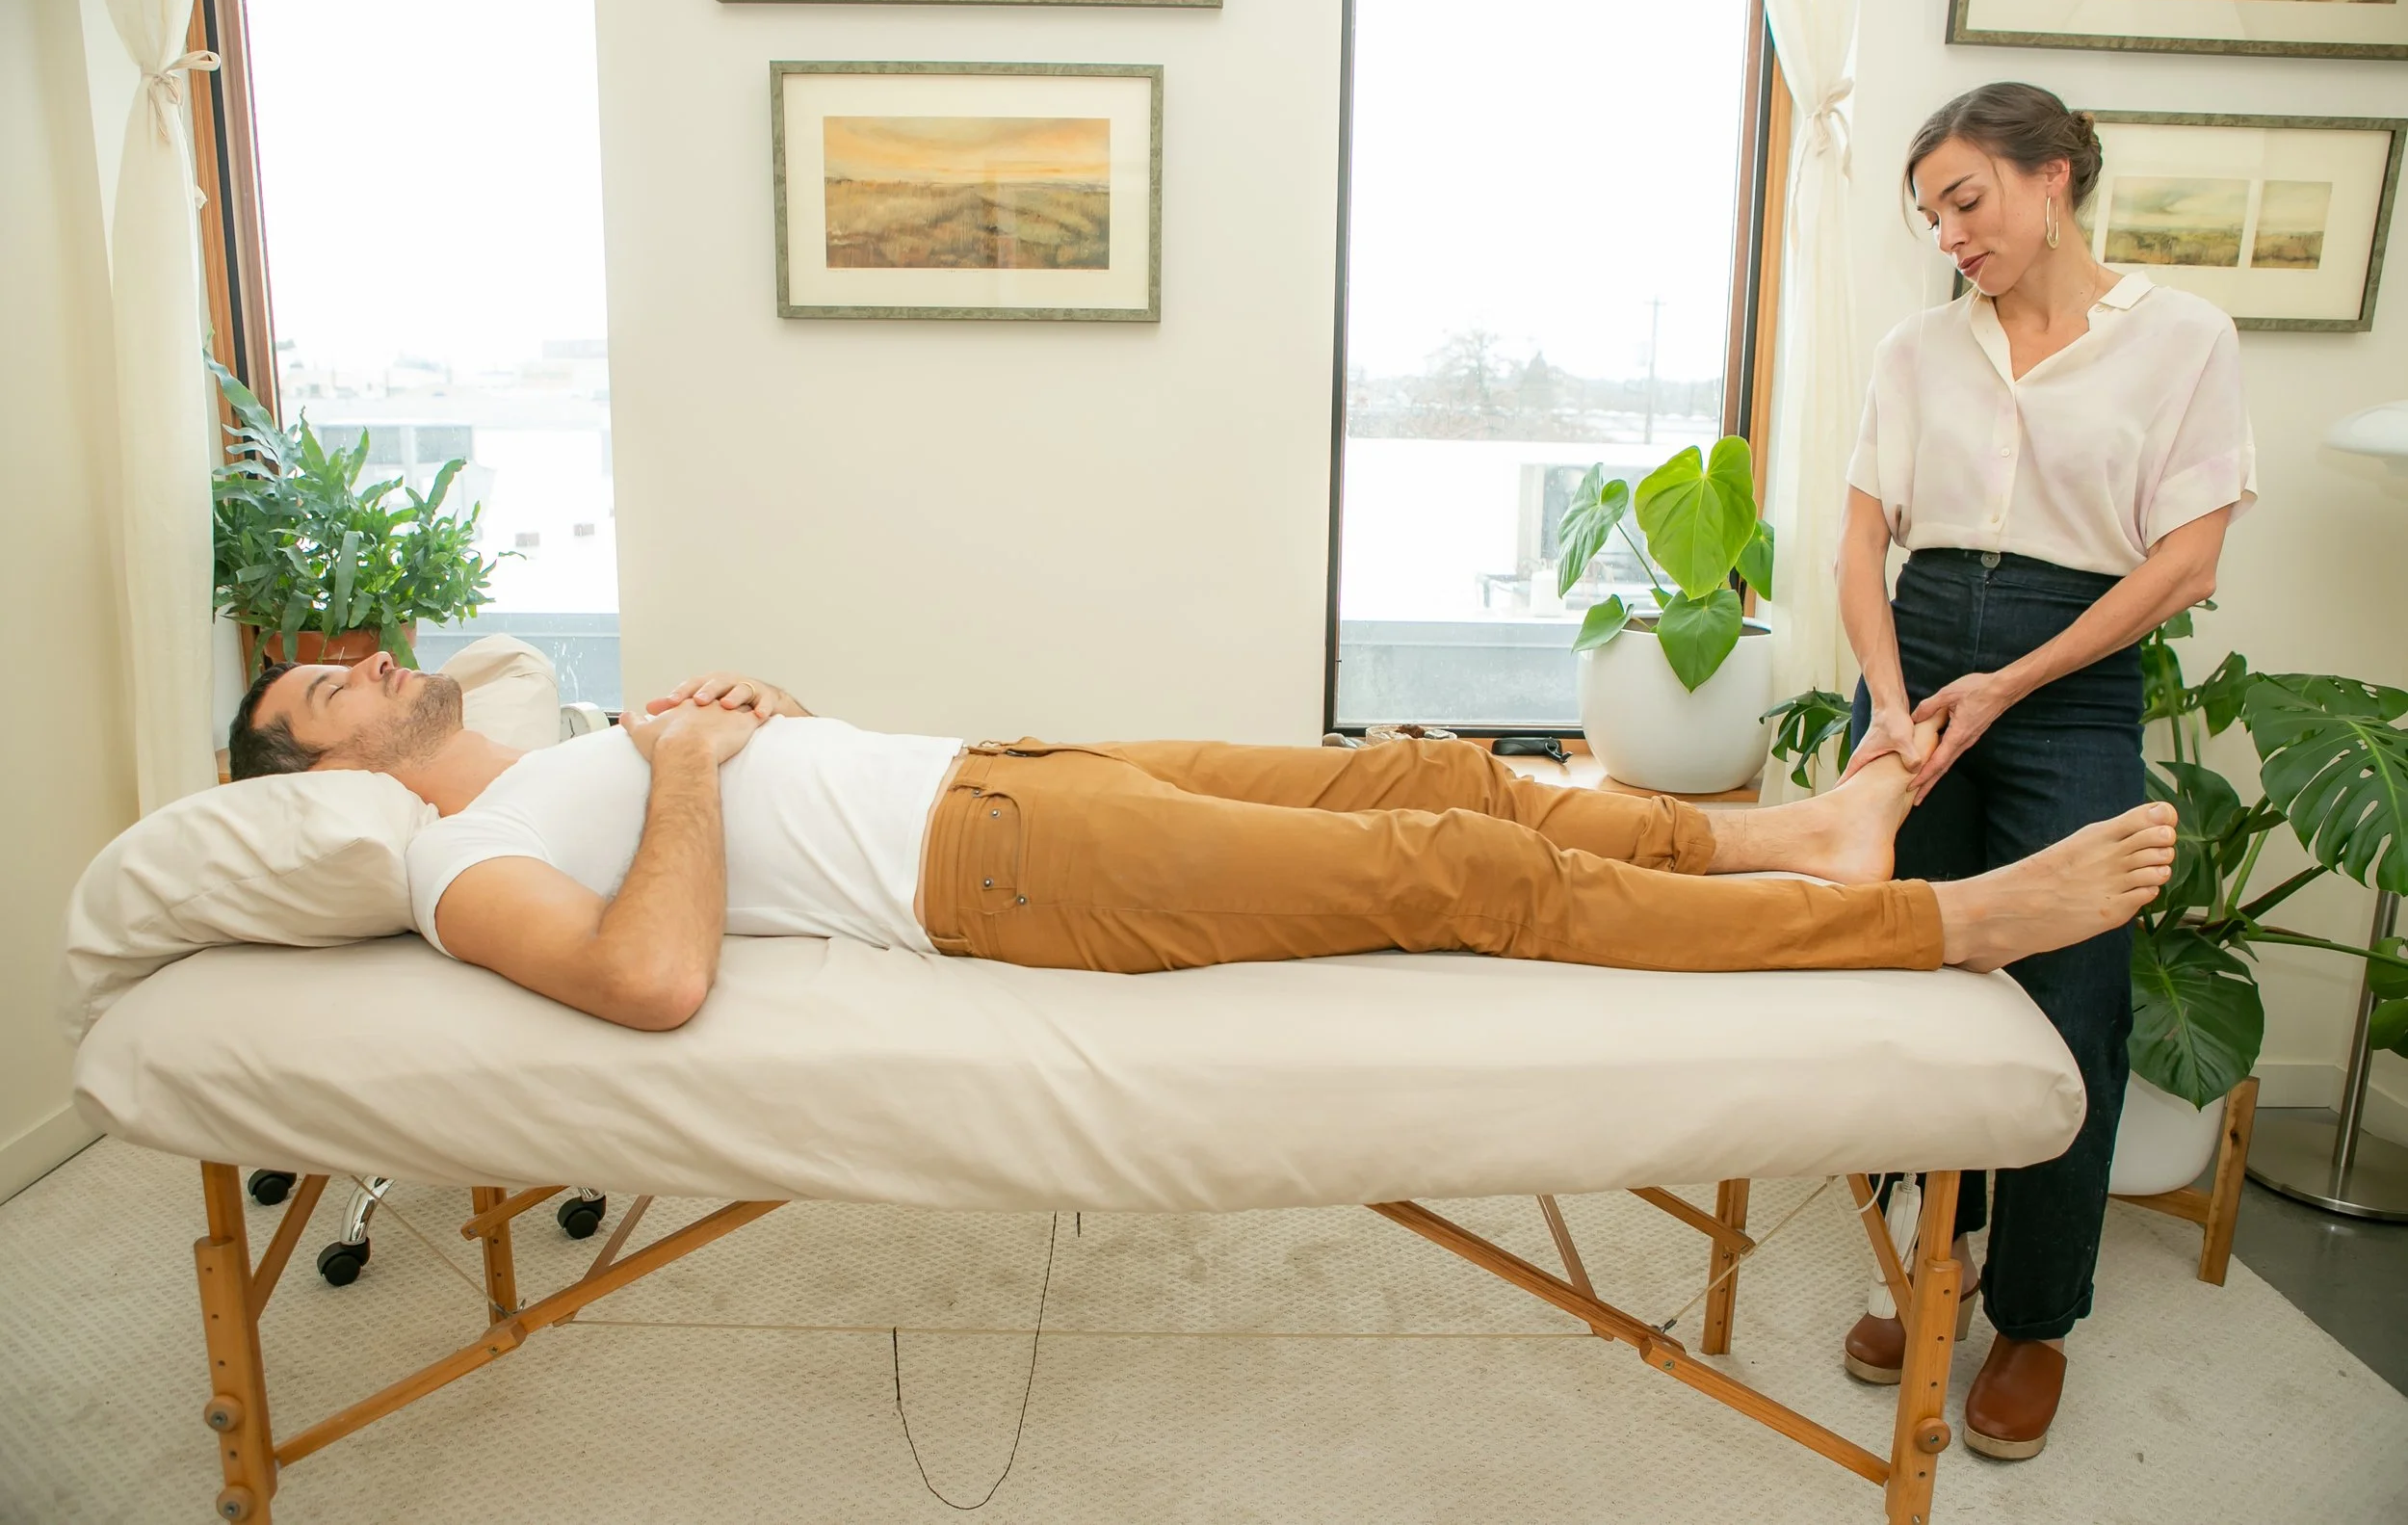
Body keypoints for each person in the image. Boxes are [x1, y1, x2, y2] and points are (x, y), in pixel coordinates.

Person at [225, 651, 2177, 1039]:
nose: (361, 666)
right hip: (988, 876)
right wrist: (673, 770)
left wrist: (749, 725)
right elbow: (649, 975)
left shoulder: (560, 737)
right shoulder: (432, 860)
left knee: (1445, 771)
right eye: (317, 693)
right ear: (323, 780)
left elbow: (738, 822)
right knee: (1460, 878)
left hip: (991, 768)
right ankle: (1933, 922)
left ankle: (1784, 831)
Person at [1835, 82, 2254, 1461]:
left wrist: (2008, 683)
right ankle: (1923, 1265)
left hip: (2069, 684)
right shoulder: (1915, 350)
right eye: (1933, 215)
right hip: (1918, 657)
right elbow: (1860, 551)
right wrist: (1895, 714)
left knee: (2071, 1003)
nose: (1951, 233)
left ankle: (2034, 1314)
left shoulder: (2183, 340)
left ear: (2057, 173)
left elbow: (2182, 562)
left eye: (1971, 199)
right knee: (1903, 971)